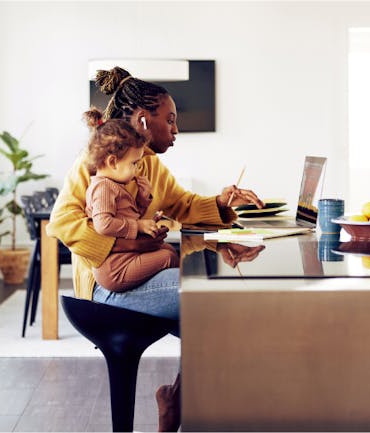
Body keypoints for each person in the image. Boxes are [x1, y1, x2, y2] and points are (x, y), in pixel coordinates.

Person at [46, 66, 264, 432]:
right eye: (171, 120)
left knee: (215, 311)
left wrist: (222, 203)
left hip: (139, 274)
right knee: (210, 299)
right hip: (106, 287)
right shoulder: (96, 162)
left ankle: (177, 399)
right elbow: (62, 222)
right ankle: (180, 401)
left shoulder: (149, 164)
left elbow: (182, 204)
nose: (176, 130)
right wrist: (133, 239)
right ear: (144, 121)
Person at [83, 115, 178, 292]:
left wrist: (142, 199)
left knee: (169, 250)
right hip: (116, 269)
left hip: (126, 258)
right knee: (168, 257)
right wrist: (139, 226)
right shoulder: (103, 188)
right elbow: (103, 224)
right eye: (134, 163)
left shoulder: (115, 185)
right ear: (112, 162)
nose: (137, 170)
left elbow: (126, 216)